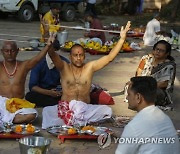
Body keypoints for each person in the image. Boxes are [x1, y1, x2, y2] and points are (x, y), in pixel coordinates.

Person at [42, 21, 131, 129]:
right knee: (46, 111)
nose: (78, 58)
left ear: (85, 56)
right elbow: (51, 53)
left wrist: (121, 39)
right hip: (67, 108)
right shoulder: (64, 67)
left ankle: (74, 122)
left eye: (81, 55)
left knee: (107, 110)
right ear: (70, 57)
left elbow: (109, 58)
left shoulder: (90, 67)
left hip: (85, 109)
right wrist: (46, 34)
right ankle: (80, 122)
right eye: (75, 55)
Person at [116, 76, 180, 154]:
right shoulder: (164, 118)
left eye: (129, 94)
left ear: (138, 97)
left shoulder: (134, 126)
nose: (127, 97)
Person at [0, 35, 55, 124]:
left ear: (17, 51)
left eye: (12, 50)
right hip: (2, 104)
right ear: (2, 52)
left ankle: (5, 120)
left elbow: (37, 59)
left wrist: (48, 45)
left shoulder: (23, 66)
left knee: (32, 115)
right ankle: (9, 119)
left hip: (19, 104)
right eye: (6, 51)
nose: (9, 53)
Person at [124, 40, 176, 110]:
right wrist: (137, 83)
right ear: (153, 50)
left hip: (157, 89)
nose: (158, 52)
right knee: (129, 86)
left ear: (167, 53)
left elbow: (164, 84)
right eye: (157, 49)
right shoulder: (146, 59)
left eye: (161, 51)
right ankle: (139, 100)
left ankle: (138, 100)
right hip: (142, 85)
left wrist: (144, 87)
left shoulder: (169, 65)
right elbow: (138, 73)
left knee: (154, 94)